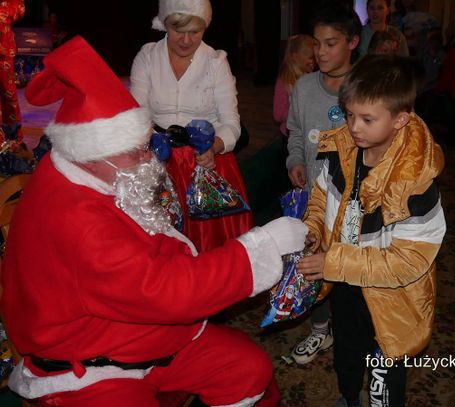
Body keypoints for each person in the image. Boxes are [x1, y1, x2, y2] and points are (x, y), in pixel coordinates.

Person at [1, 36, 308, 407]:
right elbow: (168, 290)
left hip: (140, 333)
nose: (150, 159)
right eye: (137, 150)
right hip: (86, 364)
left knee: (248, 370)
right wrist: (263, 246)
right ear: (92, 151)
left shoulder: (86, 172)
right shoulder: (80, 223)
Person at [297, 54, 446, 407]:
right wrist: (311, 233)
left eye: (366, 119)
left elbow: (408, 261)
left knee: (384, 373)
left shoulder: (416, 184)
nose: (354, 127)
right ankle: (349, 397)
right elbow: (320, 202)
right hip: (345, 284)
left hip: (392, 298)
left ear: (400, 119)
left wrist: (334, 262)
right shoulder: (342, 153)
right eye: (349, 115)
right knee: (347, 352)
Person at [130, 0, 253, 253]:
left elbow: (232, 123)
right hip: (158, 161)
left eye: (195, 32)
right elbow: (137, 114)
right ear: (165, 23)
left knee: (210, 251)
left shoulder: (216, 62)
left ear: (205, 27)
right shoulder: (147, 57)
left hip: (206, 163)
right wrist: (150, 142)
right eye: (178, 30)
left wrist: (215, 146)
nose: (186, 40)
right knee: (161, 249)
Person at [285, 4, 360, 365]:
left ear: (353, 42)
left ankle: (353, 331)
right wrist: (295, 160)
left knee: (348, 267)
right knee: (312, 260)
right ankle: (320, 331)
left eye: (331, 43)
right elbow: (296, 131)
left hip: (354, 200)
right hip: (314, 201)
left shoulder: (368, 86)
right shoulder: (302, 86)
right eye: (317, 44)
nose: (321, 52)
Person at [273, 34, 316, 138]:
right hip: (291, 136)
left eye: (316, 57)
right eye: (311, 58)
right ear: (295, 56)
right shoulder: (284, 82)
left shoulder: (312, 78)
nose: (314, 62)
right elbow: (278, 115)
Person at [0, 0, 24, 141]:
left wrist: (3, 16)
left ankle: (13, 135)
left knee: (8, 93)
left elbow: (20, 8)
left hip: (4, 49)